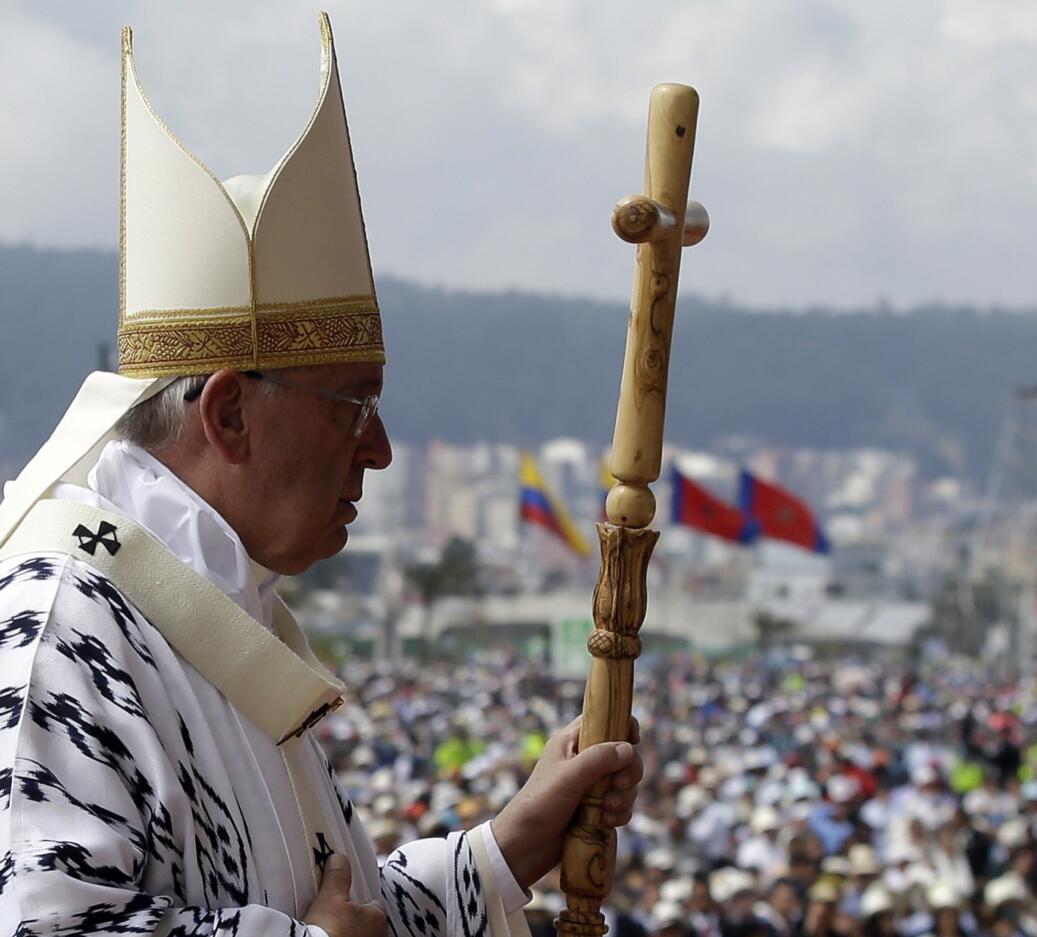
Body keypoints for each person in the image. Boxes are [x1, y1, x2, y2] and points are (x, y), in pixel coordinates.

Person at [0, 15, 642, 937]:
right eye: (352, 406)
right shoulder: (64, 622)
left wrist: (505, 850)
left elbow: (329, 906)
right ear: (228, 414)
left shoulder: (208, 605)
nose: (377, 450)